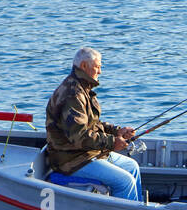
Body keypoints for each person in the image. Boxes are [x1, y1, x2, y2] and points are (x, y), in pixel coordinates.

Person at [45, 47, 143, 200]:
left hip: (88, 153)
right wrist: (112, 143)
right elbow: (79, 136)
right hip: (71, 160)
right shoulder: (73, 94)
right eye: (97, 67)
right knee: (124, 182)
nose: (100, 72)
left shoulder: (83, 88)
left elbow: (92, 123)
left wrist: (116, 131)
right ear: (84, 66)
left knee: (133, 167)